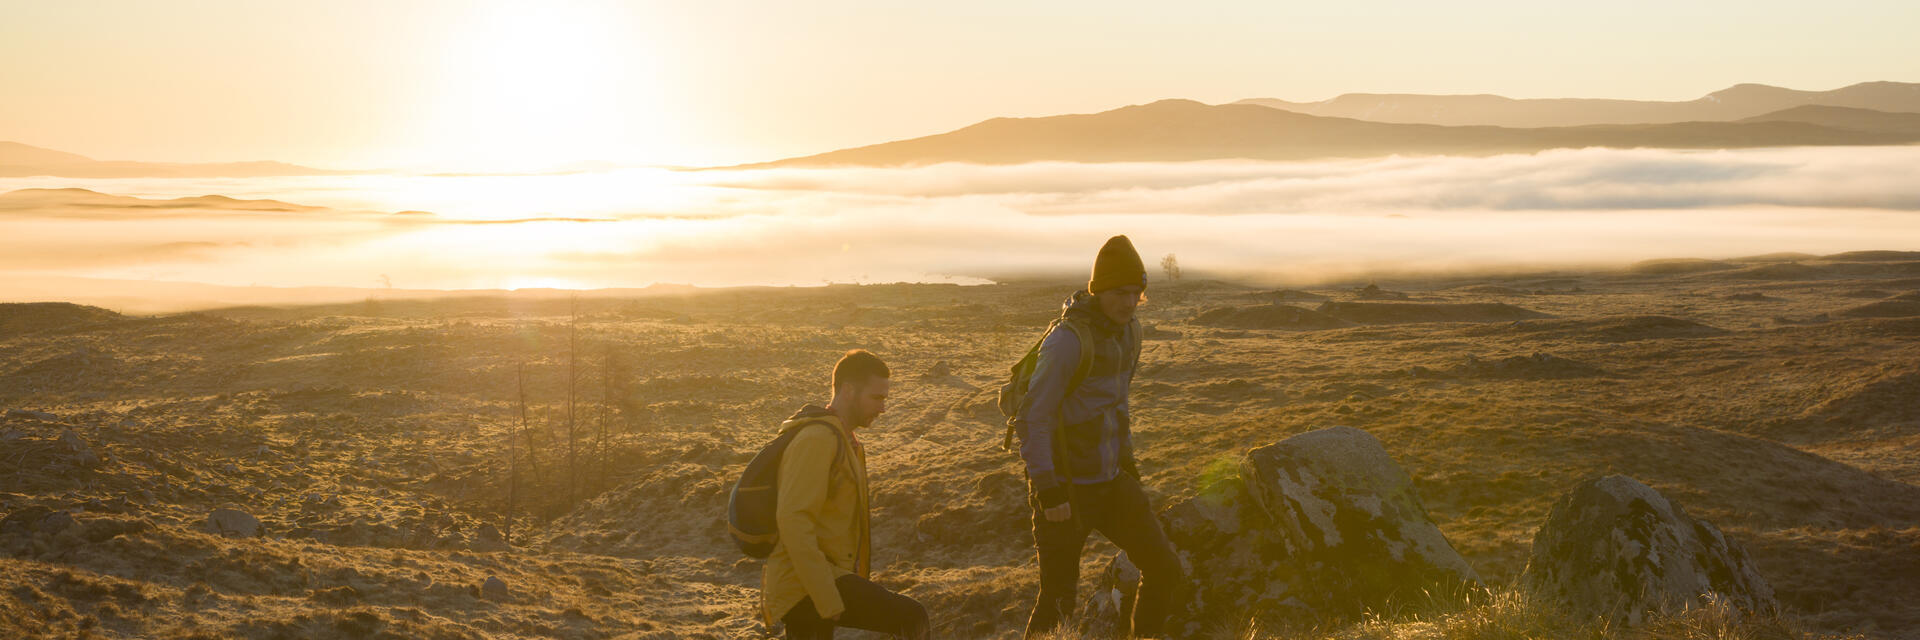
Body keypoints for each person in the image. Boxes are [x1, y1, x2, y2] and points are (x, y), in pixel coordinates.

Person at [1021, 236, 1184, 638]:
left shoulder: (1131, 333)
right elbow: (1033, 418)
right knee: (1058, 599)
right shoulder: (1067, 341)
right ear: (1098, 291)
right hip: (1066, 490)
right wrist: (1049, 490)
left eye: (1136, 293)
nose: (1129, 302)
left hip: (1111, 481)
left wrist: (1127, 463)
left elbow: (1117, 403)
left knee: (1164, 568)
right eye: (1119, 292)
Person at [761, 350, 930, 640]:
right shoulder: (818, 440)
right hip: (804, 586)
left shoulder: (843, 440)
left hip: (820, 580)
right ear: (849, 391)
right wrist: (826, 597)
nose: (883, 409)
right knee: (911, 618)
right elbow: (793, 520)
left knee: (911, 618)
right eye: (877, 398)